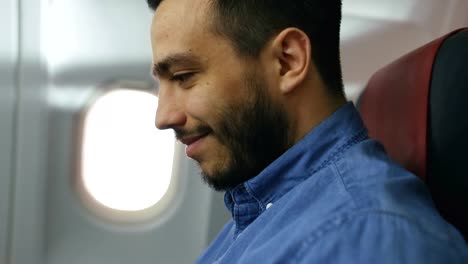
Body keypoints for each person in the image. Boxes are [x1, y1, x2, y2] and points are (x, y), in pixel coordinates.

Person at [147, 0, 467, 263]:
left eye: (184, 76)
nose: (163, 116)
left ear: (288, 61)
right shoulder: (262, 211)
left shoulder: (364, 237)